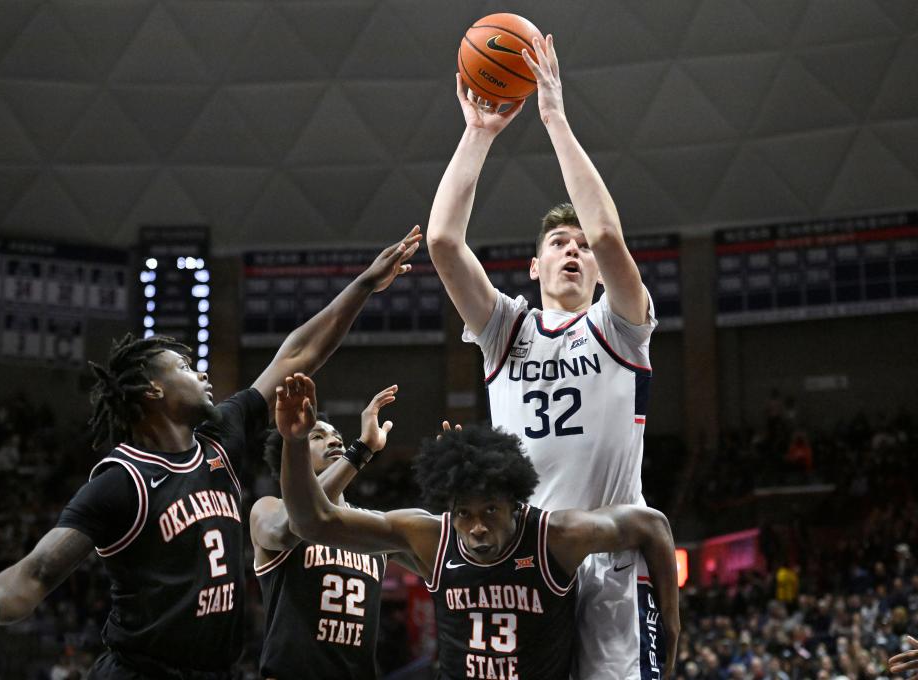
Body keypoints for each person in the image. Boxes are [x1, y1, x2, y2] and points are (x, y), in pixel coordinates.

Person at [0, 228, 422, 679]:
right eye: (182, 366)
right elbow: (38, 571)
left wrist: (364, 285)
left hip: (214, 670)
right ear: (151, 389)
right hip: (140, 669)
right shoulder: (123, 479)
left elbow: (296, 355)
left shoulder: (222, 434)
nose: (200, 373)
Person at [426, 35, 659, 679]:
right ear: (534, 264)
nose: (575, 251)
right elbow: (444, 241)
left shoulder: (622, 326)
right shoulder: (506, 328)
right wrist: (478, 133)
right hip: (521, 557)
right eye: (559, 241)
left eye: (581, 245)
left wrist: (554, 116)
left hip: (609, 561)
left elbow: (609, 234)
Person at [274, 373, 679, 680]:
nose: (477, 527)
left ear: (517, 505)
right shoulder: (432, 537)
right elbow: (311, 522)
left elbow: (653, 526)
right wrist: (293, 444)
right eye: (464, 513)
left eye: (490, 511)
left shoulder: (554, 537)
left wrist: (671, 630)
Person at [251, 386, 401, 680]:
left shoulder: (372, 524)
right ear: (290, 454)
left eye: (337, 437)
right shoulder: (268, 509)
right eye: (317, 436)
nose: (333, 439)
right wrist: (361, 450)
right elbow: (298, 523)